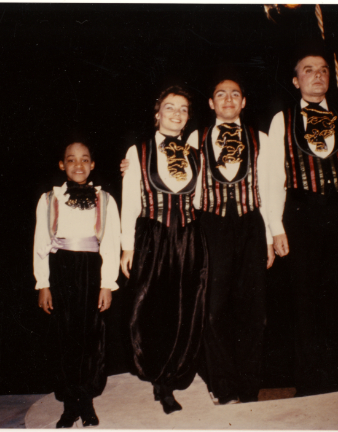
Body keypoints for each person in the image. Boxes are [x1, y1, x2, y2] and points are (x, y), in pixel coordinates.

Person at [267, 51, 338, 397]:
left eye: (323, 70)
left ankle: (335, 379)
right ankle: (309, 384)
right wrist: (276, 228)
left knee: (334, 296)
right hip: (300, 214)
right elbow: (271, 178)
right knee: (304, 299)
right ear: (296, 81)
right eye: (308, 71)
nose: (318, 75)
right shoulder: (282, 119)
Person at [120, 86, 207, 415]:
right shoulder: (137, 151)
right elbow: (130, 202)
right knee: (150, 309)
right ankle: (156, 374)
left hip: (187, 236)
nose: (176, 113)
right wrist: (127, 247)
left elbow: (198, 200)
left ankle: (171, 378)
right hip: (153, 236)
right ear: (157, 113)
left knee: (183, 307)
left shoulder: (195, 154)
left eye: (183, 109)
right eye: (170, 107)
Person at [194, 77, 274, 404]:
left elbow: (270, 189)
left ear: (243, 102)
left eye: (235, 94)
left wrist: (269, 237)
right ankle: (223, 388)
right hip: (210, 226)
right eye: (220, 94)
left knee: (253, 312)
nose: (228, 99)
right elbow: (167, 174)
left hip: (251, 224)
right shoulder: (193, 139)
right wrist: (130, 167)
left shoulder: (261, 139)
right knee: (212, 312)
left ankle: (248, 391)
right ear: (211, 103)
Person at [34, 140, 120, 427]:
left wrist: (107, 283)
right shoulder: (49, 199)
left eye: (85, 159)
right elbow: (41, 244)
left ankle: (87, 401)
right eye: (71, 160)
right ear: (62, 165)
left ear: (93, 164)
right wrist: (43, 283)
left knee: (90, 336)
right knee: (64, 337)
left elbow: (110, 244)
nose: (79, 165)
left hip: (91, 270)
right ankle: (70, 405)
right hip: (61, 271)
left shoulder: (105, 199)